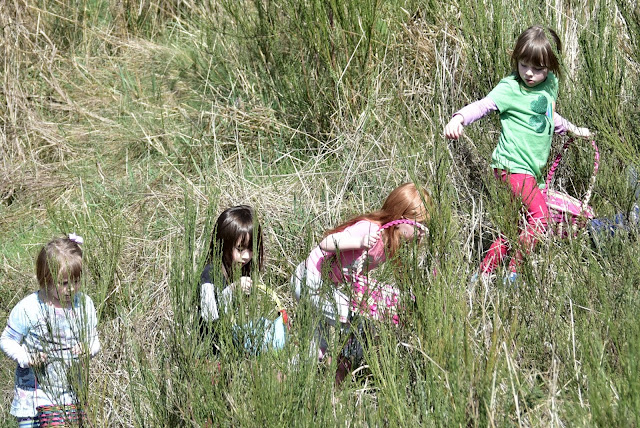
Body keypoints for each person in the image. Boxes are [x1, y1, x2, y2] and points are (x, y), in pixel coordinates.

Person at [444, 25, 592, 284]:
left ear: (551, 67)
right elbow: (483, 105)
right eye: (524, 65)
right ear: (517, 60)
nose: (529, 73)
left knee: (515, 225)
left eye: (538, 68)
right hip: (511, 166)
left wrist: (572, 129)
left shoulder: (550, 84)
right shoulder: (510, 88)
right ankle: (514, 272)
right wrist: (459, 118)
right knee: (540, 217)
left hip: (530, 171)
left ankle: (482, 274)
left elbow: (547, 115)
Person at [290, 182, 431, 383]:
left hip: (323, 286)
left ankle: (287, 378)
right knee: (360, 326)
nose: (422, 232)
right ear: (401, 218)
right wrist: (359, 242)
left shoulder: (391, 243)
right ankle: (338, 375)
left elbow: (398, 273)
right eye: (419, 224)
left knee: (317, 348)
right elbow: (326, 243)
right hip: (310, 280)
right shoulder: (370, 229)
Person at [0, 234, 100, 428]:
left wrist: (88, 348)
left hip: (69, 394)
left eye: (76, 281)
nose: (71, 289)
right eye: (64, 283)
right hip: (32, 395)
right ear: (45, 279)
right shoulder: (29, 307)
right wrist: (25, 357)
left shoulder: (84, 304)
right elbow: (7, 340)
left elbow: (93, 338)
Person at [198, 205, 286, 355]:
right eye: (240, 249)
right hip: (210, 351)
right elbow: (209, 316)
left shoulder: (234, 269)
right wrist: (232, 290)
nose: (246, 256)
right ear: (222, 244)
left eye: (251, 249)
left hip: (229, 344)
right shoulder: (209, 275)